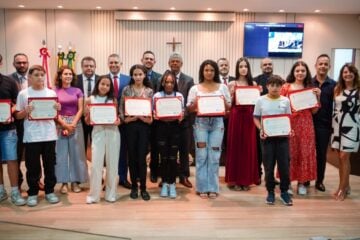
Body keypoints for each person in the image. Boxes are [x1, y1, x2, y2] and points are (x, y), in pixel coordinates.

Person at [15, 65, 60, 207]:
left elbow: (54, 115)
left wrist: (57, 109)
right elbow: (17, 115)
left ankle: (49, 191)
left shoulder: (51, 93)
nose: (40, 77)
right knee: (32, 166)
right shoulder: (23, 94)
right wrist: (25, 111)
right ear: (30, 77)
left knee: (50, 165)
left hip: (49, 135)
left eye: (42, 75)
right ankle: (33, 193)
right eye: (36, 75)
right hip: (32, 136)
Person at [187, 59, 231, 199]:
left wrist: (223, 101)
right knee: (201, 155)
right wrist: (194, 104)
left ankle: (213, 187)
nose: (209, 72)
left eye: (212, 70)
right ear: (202, 71)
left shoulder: (222, 87)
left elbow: (229, 107)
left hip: (217, 124)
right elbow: (189, 108)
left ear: (215, 71)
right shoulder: (195, 88)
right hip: (201, 124)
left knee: (214, 155)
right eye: (206, 70)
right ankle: (201, 187)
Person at [281, 60, 320, 195]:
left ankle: (302, 183)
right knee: (289, 153)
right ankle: (288, 184)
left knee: (305, 153)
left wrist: (318, 97)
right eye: (297, 71)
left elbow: (314, 111)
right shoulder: (286, 87)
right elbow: (280, 106)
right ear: (293, 72)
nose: (300, 73)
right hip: (290, 124)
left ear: (306, 72)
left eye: (303, 71)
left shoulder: (310, 88)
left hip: (306, 124)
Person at [253, 75, 293, 206]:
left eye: (278, 85)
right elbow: (256, 118)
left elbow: (288, 118)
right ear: (267, 86)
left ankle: (284, 192)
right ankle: (270, 192)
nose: (275, 88)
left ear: (282, 87)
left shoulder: (286, 100)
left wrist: (290, 129)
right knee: (268, 167)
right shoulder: (260, 100)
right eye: (272, 85)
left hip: (282, 139)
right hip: (267, 139)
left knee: (284, 167)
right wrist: (261, 130)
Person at [119, 64, 153, 201]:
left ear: (144, 75)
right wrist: (126, 119)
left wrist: (148, 119)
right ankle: (134, 186)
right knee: (131, 157)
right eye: (135, 74)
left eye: (140, 74)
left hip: (144, 127)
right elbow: (121, 108)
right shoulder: (126, 90)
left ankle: (143, 188)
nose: (138, 77)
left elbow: (153, 110)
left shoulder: (149, 91)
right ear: (132, 76)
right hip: (130, 127)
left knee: (142, 158)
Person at [85, 75, 121, 204]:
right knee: (96, 164)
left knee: (112, 164)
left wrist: (118, 121)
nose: (104, 87)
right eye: (102, 84)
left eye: (107, 85)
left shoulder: (113, 100)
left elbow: (117, 118)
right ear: (98, 84)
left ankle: (111, 194)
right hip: (98, 133)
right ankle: (94, 195)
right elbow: (87, 121)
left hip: (113, 133)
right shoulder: (90, 99)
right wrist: (89, 113)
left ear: (110, 87)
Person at [225, 57, 259, 191]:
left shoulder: (254, 83)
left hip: (249, 117)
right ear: (237, 69)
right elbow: (228, 104)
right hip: (236, 115)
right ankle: (235, 180)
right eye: (241, 66)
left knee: (247, 147)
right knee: (235, 146)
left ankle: (246, 180)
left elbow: (257, 103)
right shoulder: (232, 83)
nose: (243, 69)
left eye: (245, 66)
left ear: (248, 68)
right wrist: (232, 95)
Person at [54, 66, 88, 194]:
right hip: (60, 123)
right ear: (60, 76)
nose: (68, 76)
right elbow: (53, 110)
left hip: (76, 123)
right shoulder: (54, 91)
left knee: (77, 154)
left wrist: (72, 124)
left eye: (70, 74)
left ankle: (75, 181)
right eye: (65, 74)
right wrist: (63, 124)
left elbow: (80, 109)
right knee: (61, 154)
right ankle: (63, 183)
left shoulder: (78, 91)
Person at [153, 70, 184, 198]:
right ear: (163, 83)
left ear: (175, 83)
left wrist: (181, 115)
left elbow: (182, 112)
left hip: (175, 128)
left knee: (172, 157)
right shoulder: (157, 96)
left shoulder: (179, 96)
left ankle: (172, 184)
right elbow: (153, 112)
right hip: (161, 128)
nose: (169, 84)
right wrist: (155, 115)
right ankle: (165, 183)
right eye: (167, 82)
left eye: (172, 82)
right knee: (164, 157)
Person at [331, 63, 360, 201]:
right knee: (340, 159)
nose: (347, 74)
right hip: (337, 127)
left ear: (355, 74)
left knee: (344, 157)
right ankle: (346, 185)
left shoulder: (359, 90)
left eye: (350, 72)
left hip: (352, 127)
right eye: (345, 72)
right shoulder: (338, 89)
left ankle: (341, 189)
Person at [0, 53, 26, 206]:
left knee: (12, 160)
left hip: (8, 129)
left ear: (1, 62)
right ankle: (1, 191)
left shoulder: (9, 81)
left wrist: (9, 112)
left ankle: (15, 192)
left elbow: (18, 104)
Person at [169, 52, 194, 188]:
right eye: (172, 61)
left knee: (184, 150)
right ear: (169, 63)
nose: (174, 63)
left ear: (181, 64)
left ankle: (184, 176)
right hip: (167, 123)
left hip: (184, 122)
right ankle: (168, 176)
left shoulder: (189, 80)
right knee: (168, 151)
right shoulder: (163, 78)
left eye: (177, 61)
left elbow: (190, 102)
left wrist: (182, 114)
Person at [311, 54, 336, 192]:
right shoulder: (308, 83)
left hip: (324, 126)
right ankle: (306, 179)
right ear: (315, 66)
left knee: (321, 155)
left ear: (329, 67)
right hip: (308, 123)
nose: (323, 66)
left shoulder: (334, 85)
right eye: (320, 64)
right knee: (308, 153)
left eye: (326, 64)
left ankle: (319, 181)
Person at [106, 53, 131, 189]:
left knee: (123, 151)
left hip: (124, 122)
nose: (114, 65)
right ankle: (109, 179)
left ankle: (122, 177)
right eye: (111, 62)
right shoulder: (103, 79)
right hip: (106, 121)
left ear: (121, 64)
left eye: (116, 62)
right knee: (108, 151)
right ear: (108, 64)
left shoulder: (128, 79)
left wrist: (123, 118)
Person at [9, 53, 29, 190]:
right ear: (13, 64)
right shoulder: (8, 80)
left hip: (32, 122)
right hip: (15, 123)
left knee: (33, 154)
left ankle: (36, 180)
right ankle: (19, 182)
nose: (22, 65)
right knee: (16, 154)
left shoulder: (35, 78)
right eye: (18, 63)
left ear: (28, 63)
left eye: (24, 62)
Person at [141, 51, 162, 183]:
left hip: (155, 119)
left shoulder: (160, 78)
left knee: (155, 147)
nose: (149, 60)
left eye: (151, 59)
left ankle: (154, 172)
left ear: (154, 62)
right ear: (142, 60)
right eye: (146, 58)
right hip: (140, 118)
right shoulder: (136, 74)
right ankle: (140, 172)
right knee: (141, 146)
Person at [254, 57, 274, 182]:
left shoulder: (280, 80)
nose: (267, 66)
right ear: (261, 67)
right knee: (259, 150)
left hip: (276, 120)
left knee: (273, 151)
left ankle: (270, 176)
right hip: (259, 120)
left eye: (269, 64)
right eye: (265, 64)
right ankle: (258, 175)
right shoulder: (255, 81)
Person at [75, 56, 100, 153]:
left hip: (97, 118)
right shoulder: (74, 79)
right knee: (81, 145)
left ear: (95, 67)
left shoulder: (101, 79)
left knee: (97, 145)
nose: (89, 68)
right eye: (86, 66)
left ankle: (97, 167)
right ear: (82, 67)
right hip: (79, 117)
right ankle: (82, 167)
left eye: (91, 66)